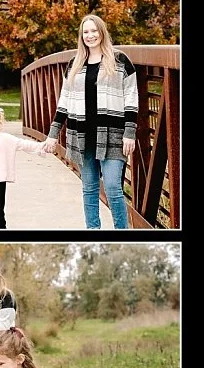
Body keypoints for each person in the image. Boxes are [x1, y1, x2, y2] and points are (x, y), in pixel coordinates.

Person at [40, 14, 139, 229]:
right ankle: (92, 229)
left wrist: (129, 133)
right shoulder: (74, 64)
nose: (90, 35)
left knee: (113, 187)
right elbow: (63, 102)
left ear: (102, 32)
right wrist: (52, 135)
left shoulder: (120, 60)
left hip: (112, 134)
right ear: (81, 36)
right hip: (82, 136)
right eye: (86, 32)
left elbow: (131, 99)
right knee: (89, 188)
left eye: (94, 31)